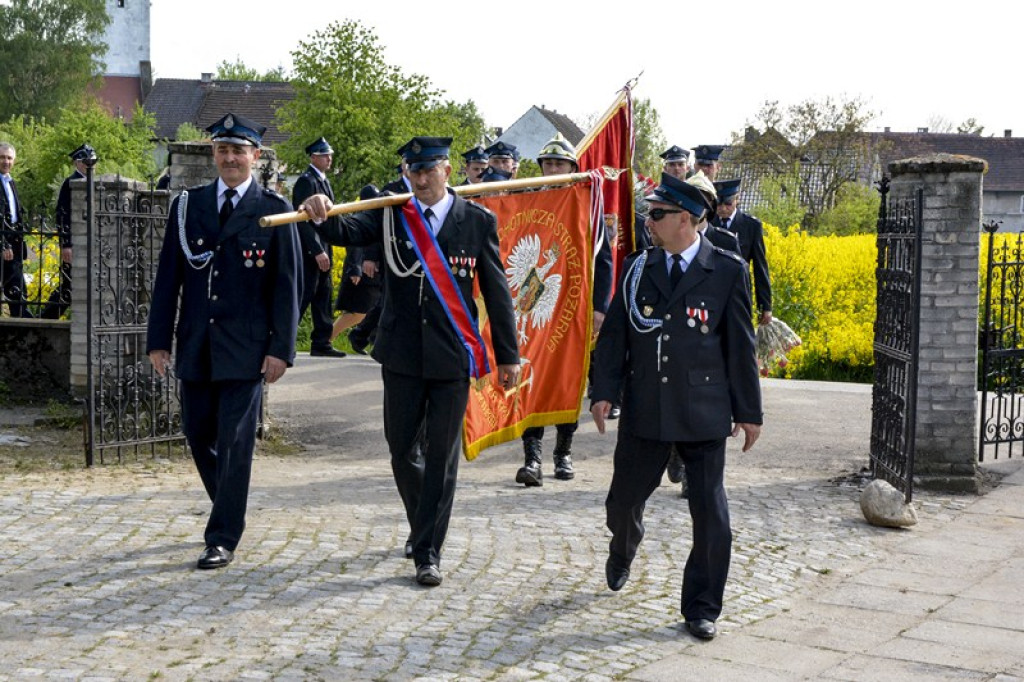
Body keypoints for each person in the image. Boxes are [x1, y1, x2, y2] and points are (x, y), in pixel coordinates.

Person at [301, 136, 520, 587]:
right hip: (400, 353)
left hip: (450, 358)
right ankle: (424, 521)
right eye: (413, 171)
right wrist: (320, 206)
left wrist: (508, 355)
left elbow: (498, 294)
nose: (421, 179)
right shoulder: (390, 214)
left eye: (430, 169)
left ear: (447, 169)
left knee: (441, 456)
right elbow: (345, 231)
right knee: (402, 450)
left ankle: (427, 549)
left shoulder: (476, 221)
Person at [591, 171, 762, 641]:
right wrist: (603, 391)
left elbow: (740, 347)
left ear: (687, 219)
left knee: (711, 514)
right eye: (650, 212)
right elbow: (615, 337)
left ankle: (702, 606)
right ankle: (624, 545)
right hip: (646, 407)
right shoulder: (636, 267)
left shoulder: (725, 269)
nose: (650, 220)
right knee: (622, 501)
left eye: (659, 213)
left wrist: (749, 411)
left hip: (703, 411)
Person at [146, 113, 301, 570]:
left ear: (255, 156)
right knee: (197, 433)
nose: (230, 158)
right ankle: (228, 505)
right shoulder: (187, 206)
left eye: (239, 150)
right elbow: (168, 277)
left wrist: (281, 350)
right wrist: (159, 340)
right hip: (197, 343)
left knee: (235, 441)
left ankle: (222, 536)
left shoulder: (274, 209)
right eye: (223, 150)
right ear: (214, 154)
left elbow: (286, 286)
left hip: (247, 349)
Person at [516, 133, 612, 486]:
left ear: (573, 168)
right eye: (548, 163)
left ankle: (563, 452)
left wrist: (600, 307)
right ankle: (532, 457)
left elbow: (603, 261)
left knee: (568, 380)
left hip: (573, 308)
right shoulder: (524, 200)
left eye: (560, 164)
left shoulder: (589, 206)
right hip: (534, 305)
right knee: (532, 380)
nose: (553, 169)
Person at [293, 137, 346, 357]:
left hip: (325, 244)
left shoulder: (322, 180)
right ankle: (284, 338)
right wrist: (316, 250)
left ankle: (322, 342)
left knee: (323, 295)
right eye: (325, 155)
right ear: (313, 157)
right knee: (305, 294)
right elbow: (302, 219)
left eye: (330, 154)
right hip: (311, 250)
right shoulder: (307, 181)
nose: (329, 158)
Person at [41, 144, 93, 319]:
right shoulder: (70, 182)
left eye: (92, 161)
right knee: (69, 285)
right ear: (77, 163)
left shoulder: (93, 182)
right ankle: (48, 317)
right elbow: (63, 215)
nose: (89, 165)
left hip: (89, 243)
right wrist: (66, 244)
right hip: (74, 243)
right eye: (85, 161)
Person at [329, 184, 384, 344]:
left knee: (366, 311)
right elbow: (354, 246)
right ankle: (328, 337)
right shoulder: (362, 217)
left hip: (369, 274)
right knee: (356, 312)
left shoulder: (373, 216)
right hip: (360, 272)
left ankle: (369, 339)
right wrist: (355, 268)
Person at [713, 179, 772, 325]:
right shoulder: (708, 223)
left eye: (728, 203)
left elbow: (760, 267)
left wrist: (765, 306)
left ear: (737, 200)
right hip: (712, 292)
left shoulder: (750, 225)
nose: (723, 209)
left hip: (739, 292)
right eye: (719, 204)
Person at [0, 142, 32, 318]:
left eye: (9, 158)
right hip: (4, 246)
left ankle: (23, 334)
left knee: (18, 293)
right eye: (2, 157)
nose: (6, 161)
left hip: (15, 247)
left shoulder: (10, 182)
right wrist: (3, 244)